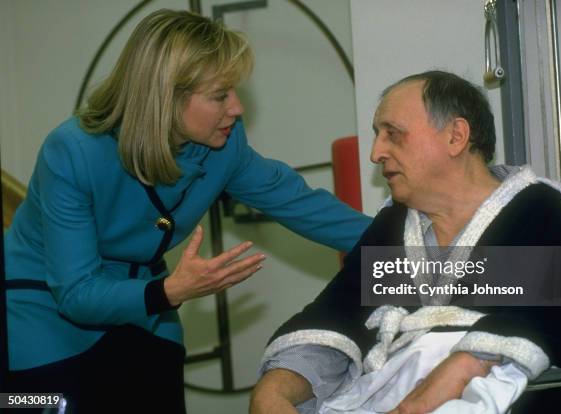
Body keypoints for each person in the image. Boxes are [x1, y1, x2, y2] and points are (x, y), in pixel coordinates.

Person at [4, 9, 371, 413]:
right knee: (46, 405)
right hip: (43, 313)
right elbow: (75, 294)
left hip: (147, 306)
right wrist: (170, 291)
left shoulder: (223, 144)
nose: (237, 108)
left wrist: (408, 245)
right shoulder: (71, 152)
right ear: (167, 98)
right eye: (220, 96)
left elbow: (296, 200)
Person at [251, 71, 561, 413]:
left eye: (393, 134)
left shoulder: (539, 212)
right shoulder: (393, 227)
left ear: (456, 136)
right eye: (378, 135)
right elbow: (337, 316)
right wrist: (275, 389)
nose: (375, 153)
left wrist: (469, 360)